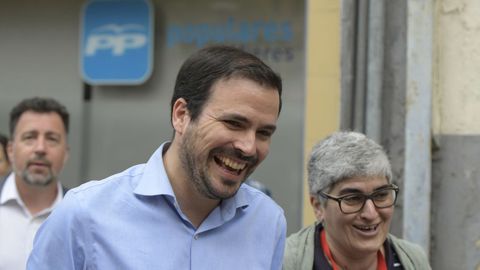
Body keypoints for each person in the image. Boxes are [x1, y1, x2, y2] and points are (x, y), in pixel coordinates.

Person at [28, 45, 286, 269]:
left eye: (264, 132)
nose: (249, 147)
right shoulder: (83, 216)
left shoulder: (267, 222)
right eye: (233, 123)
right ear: (181, 115)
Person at [283, 131, 431, 270]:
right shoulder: (283, 262)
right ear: (318, 207)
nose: (371, 213)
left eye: (380, 195)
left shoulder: (412, 261)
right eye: (353, 198)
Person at [0, 97, 70, 270]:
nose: (40, 148)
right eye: (30, 137)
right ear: (10, 150)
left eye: (52, 139)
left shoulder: (81, 216)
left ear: (66, 153)